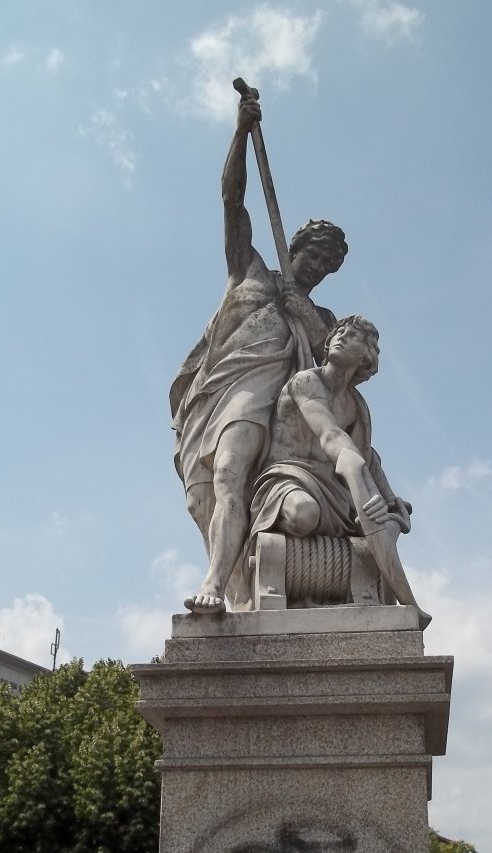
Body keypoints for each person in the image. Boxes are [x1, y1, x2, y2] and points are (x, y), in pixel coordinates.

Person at [170, 93, 348, 613]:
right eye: (313, 254)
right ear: (294, 247)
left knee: (229, 473)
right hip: (211, 391)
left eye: (328, 264)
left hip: (261, 398)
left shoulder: (324, 321)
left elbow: (333, 370)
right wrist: (240, 132)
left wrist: (305, 312)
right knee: (202, 499)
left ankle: (210, 581)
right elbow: (231, 201)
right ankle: (235, 590)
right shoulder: (248, 270)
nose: (318, 266)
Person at [248, 315, 430, 628]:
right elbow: (330, 435)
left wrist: (387, 498)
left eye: (353, 335)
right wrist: (353, 467)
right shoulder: (307, 381)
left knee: (378, 521)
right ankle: (406, 600)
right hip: (288, 476)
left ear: (367, 355)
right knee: (305, 514)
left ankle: (402, 600)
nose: (340, 337)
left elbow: (368, 457)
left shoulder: (357, 406)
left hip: (333, 486)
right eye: (339, 332)